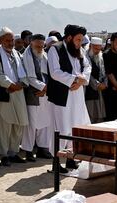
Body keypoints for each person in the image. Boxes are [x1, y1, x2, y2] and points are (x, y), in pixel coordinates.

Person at [47, 24, 91, 171]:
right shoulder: (55, 49)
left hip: (77, 94)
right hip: (61, 96)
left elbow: (87, 67)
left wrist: (81, 80)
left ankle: (72, 158)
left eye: (81, 40)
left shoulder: (79, 50)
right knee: (61, 128)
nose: (79, 43)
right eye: (78, 40)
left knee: (75, 126)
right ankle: (56, 162)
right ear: (69, 37)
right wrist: (74, 79)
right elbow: (55, 72)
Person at [0, 27, 30, 164]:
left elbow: (24, 72)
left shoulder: (17, 54)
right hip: (6, 93)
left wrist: (21, 84)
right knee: (5, 125)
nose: (11, 43)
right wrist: (12, 85)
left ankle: (13, 152)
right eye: (7, 40)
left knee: (19, 124)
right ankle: (4, 154)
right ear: (1, 41)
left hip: (18, 93)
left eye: (12, 40)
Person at [22, 33, 52, 161]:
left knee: (45, 122)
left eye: (42, 46)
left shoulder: (45, 56)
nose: (40, 48)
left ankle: (42, 148)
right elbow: (30, 77)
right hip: (33, 94)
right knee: (32, 124)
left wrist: (46, 89)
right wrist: (44, 88)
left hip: (44, 94)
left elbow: (51, 74)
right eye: (37, 46)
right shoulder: (26, 56)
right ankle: (28, 150)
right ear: (31, 44)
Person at [85, 37, 107, 123]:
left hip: (101, 92)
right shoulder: (85, 57)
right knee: (91, 114)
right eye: (95, 48)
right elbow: (87, 74)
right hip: (90, 90)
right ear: (90, 46)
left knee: (100, 116)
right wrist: (97, 85)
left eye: (99, 49)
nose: (97, 51)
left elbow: (105, 72)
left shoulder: (101, 57)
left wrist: (105, 84)